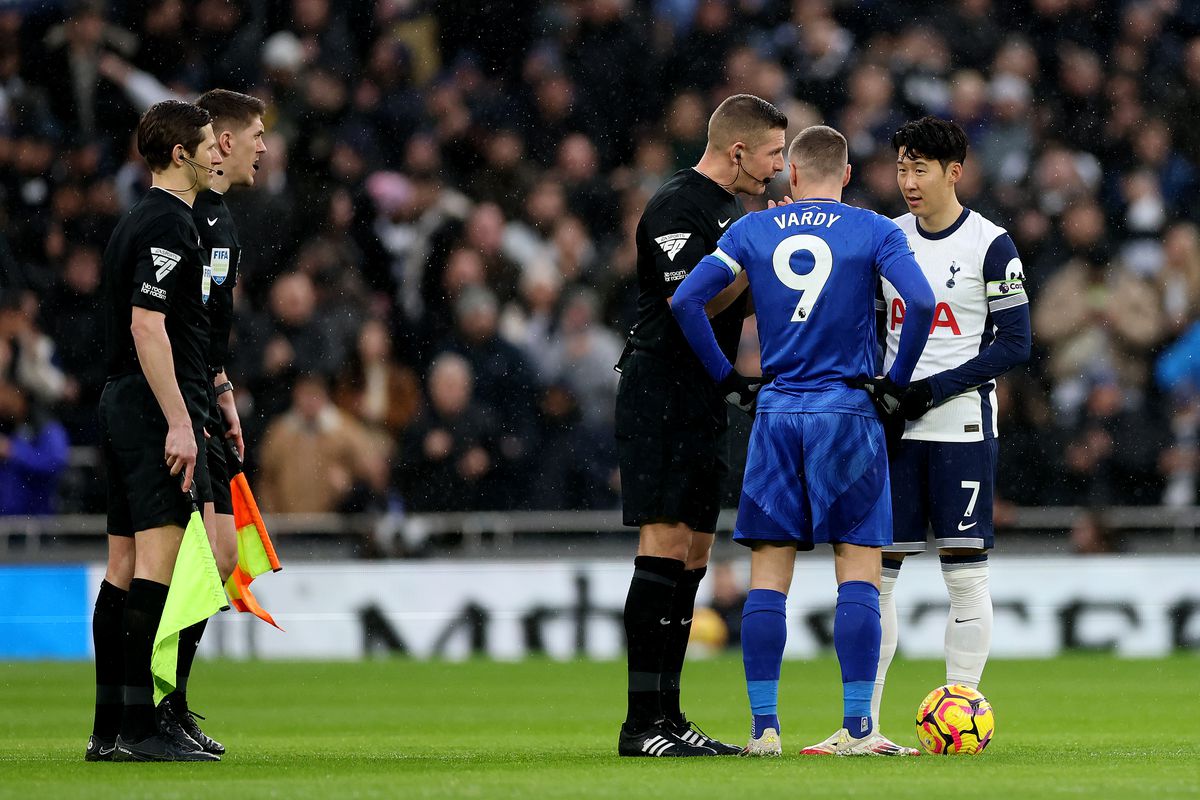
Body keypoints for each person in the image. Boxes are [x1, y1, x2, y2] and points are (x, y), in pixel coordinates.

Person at [671, 124, 934, 756]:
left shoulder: (752, 230)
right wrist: (894, 383)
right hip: (847, 412)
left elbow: (686, 301)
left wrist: (731, 380)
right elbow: (920, 303)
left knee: (768, 579)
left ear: (790, 169)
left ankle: (764, 730)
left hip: (778, 412)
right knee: (858, 574)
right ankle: (858, 729)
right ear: (845, 174)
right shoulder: (875, 230)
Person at [615, 94, 787, 758]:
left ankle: (671, 716)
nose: (776, 168)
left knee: (691, 554)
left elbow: (728, 301)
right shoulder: (678, 205)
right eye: (772, 153)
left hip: (695, 396)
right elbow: (688, 301)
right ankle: (640, 725)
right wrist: (757, 258)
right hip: (662, 388)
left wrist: (760, 256)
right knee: (662, 544)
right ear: (738, 150)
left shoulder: (726, 211)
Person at [869, 117, 1031, 741]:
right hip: (893, 430)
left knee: (964, 571)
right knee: (877, 572)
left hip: (960, 422)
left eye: (920, 169)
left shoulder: (992, 246)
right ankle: (866, 724)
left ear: (953, 173)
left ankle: (962, 709)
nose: (907, 181)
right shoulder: (886, 239)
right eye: (901, 168)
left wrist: (933, 388)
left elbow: (1016, 343)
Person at [89, 100, 223, 762]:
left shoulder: (134, 221)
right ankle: (142, 728)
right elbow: (149, 323)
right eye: (206, 144)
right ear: (181, 154)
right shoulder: (171, 224)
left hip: (118, 399)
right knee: (156, 567)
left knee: (120, 568)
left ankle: (109, 727)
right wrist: (179, 419)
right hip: (149, 405)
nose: (215, 154)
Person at [151, 88, 267, 757]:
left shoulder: (219, 219)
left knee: (222, 556)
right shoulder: (179, 218)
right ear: (221, 142)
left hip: (203, 396)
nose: (263, 145)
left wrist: (221, 385)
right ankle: (152, 705)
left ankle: (174, 703)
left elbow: (205, 325)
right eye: (255, 133)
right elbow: (155, 321)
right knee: (181, 557)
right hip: (176, 406)